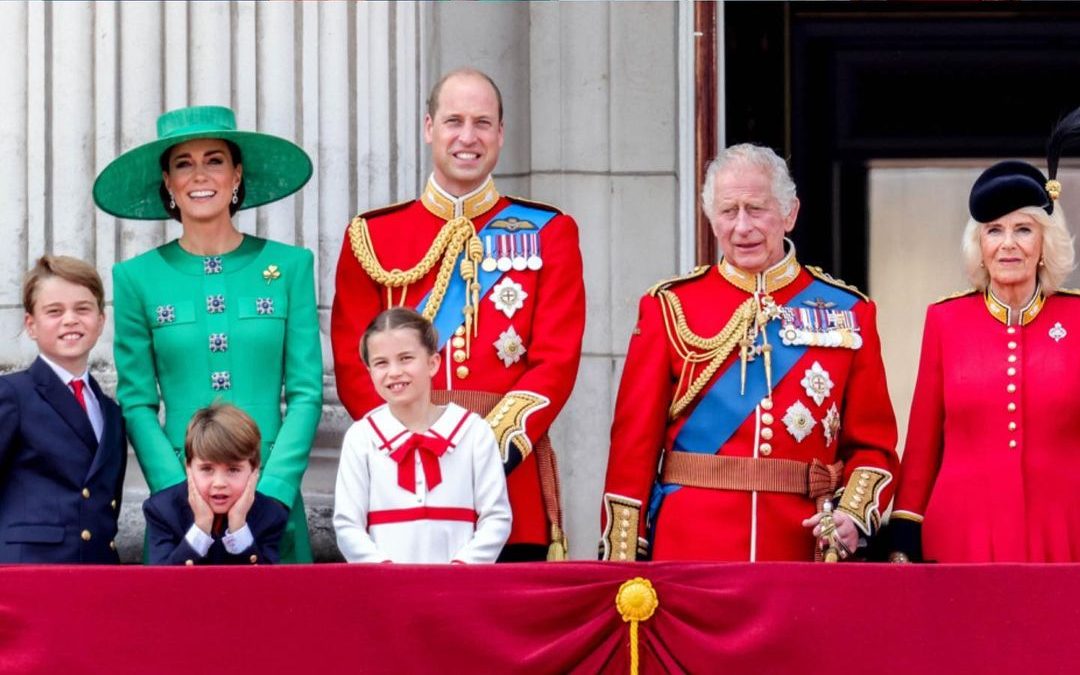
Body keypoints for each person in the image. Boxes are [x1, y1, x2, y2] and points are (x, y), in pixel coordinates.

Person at [600, 143, 900, 562]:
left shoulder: (849, 311)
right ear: (711, 218)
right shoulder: (670, 307)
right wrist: (622, 560)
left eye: (756, 209)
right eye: (728, 211)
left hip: (799, 549)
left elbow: (874, 446)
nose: (742, 227)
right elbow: (632, 449)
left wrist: (852, 514)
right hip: (690, 549)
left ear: (789, 214)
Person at [331, 68, 584, 561]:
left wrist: (478, 453)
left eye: (483, 123)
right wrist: (409, 447)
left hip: (509, 485)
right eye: (453, 121)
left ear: (501, 134)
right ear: (429, 128)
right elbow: (352, 363)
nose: (468, 137)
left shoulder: (549, 231)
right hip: (398, 485)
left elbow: (555, 363)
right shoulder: (372, 237)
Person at [94, 105, 322, 563]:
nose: (200, 174)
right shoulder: (136, 277)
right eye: (184, 163)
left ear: (237, 174)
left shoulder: (292, 266)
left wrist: (274, 488)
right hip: (182, 503)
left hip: (271, 494)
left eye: (214, 159)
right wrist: (177, 488)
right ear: (168, 183)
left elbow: (306, 392)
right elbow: (137, 400)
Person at [889, 109, 1080, 563]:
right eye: (993, 231)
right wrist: (904, 533)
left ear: (1043, 245)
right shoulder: (946, 321)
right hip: (961, 536)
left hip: (1065, 530)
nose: (1007, 243)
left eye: (1023, 229)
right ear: (979, 245)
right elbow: (921, 446)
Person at [333, 308, 511, 563]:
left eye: (406, 358)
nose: (394, 372)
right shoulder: (361, 437)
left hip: (460, 589)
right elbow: (348, 524)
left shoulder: (473, 432)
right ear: (369, 371)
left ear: (432, 363)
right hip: (387, 590)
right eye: (381, 363)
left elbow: (496, 517)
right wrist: (383, 571)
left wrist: (463, 568)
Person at [0, 256, 127, 563]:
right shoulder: (12, 393)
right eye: (54, 311)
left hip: (96, 571)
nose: (70, 319)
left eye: (82, 308)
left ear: (100, 321)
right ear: (31, 325)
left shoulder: (111, 411)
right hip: (27, 570)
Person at [143, 403, 287, 565]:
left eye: (233, 470)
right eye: (206, 469)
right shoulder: (163, 510)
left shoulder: (270, 514)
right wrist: (201, 527)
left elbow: (266, 585)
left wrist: (238, 527)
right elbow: (161, 583)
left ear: (254, 469)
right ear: (189, 467)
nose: (219, 483)